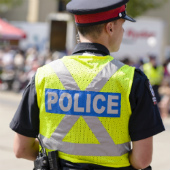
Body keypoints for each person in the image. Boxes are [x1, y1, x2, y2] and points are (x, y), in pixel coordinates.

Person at [10, 0, 165, 170]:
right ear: (110, 27)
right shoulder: (133, 80)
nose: (124, 30)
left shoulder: (43, 75)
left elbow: (21, 149)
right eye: (122, 25)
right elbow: (142, 160)